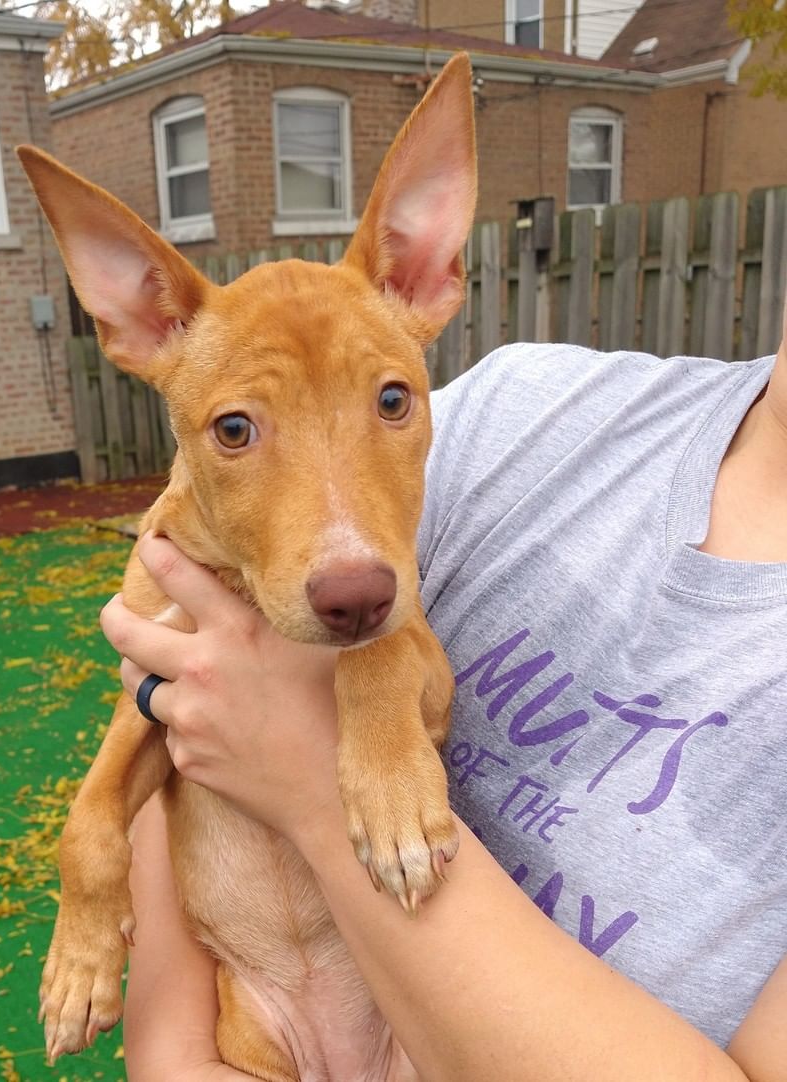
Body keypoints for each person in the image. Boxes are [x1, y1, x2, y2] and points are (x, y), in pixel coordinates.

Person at [98, 286, 787, 1082]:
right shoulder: (518, 414)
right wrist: (176, 1049)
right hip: (255, 1024)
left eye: (392, 402)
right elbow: (204, 668)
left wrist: (312, 786)